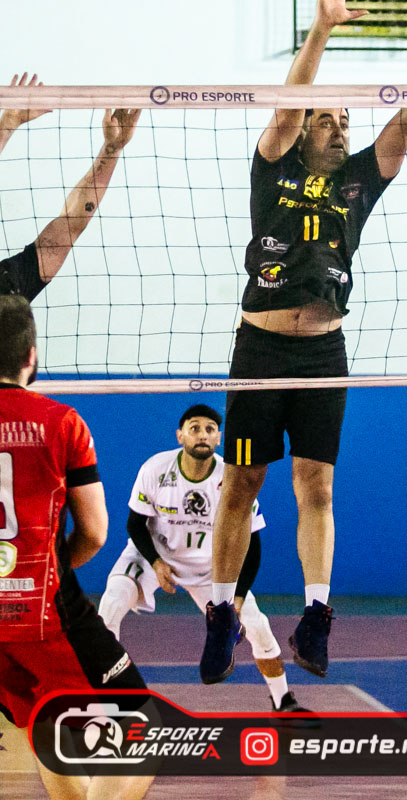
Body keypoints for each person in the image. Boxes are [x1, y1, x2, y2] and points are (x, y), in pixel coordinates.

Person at [201, 0, 407, 683]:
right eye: (325, 119)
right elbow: (287, 108)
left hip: (323, 353)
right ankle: (220, 612)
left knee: (318, 487)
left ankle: (316, 616)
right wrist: (321, 28)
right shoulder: (274, 167)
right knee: (242, 482)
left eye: (344, 121)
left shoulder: (359, 181)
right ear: (303, 132)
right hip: (261, 350)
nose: (338, 127)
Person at [0, 294, 151, 800]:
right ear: (31, 356)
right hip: (43, 610)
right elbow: (95, 532)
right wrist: (53, 567)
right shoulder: (62, 422)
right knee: (145, 729)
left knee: (47, 727)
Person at [98, 404, 313, 716]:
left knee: (258, 627)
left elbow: (252, 545)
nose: (202, 434)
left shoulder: (233, 477)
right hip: (153, 556)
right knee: (111, 604)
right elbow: (135, 524)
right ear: (180, 435)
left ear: (219, 438)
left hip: (212, 569)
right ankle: (108, 701)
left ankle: (283, 701)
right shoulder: (155, 469)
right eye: (195, 428)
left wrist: (238, 598)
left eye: (210, 429)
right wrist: (156, 562)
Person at [0, 72, 141, 301]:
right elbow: (71, 222)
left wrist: (112, 149)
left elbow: (71, 223)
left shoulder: (10, 283)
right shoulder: (11, 284)